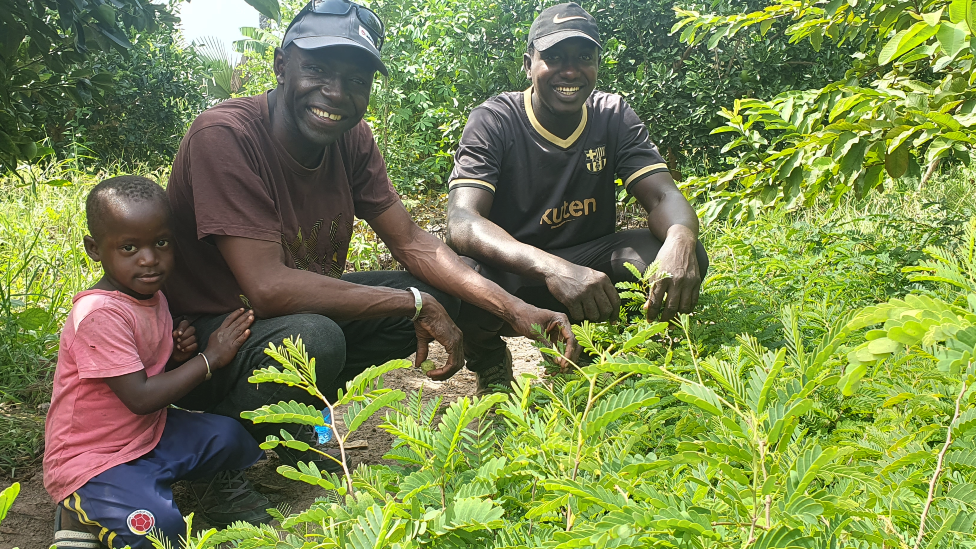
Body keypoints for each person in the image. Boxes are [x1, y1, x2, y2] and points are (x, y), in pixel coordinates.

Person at [163, 0, 577, 502]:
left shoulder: (351, 138)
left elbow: (412, 242)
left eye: (357, 80)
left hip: (278, 316)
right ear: (280, 65)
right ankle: (216, 448)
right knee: (318, 336)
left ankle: (298, 430)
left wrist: (516, 309)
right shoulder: (226, 136)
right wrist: (416, 304)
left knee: (448, 284)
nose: (336, 93)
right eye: (317, 69)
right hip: (203, 339)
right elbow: (268, 288)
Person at [446, 2, 709, 389]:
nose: (570, 70)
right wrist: (552, 268)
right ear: (528, 64)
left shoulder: (612, 115)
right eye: (553, 57)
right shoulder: (495, 120)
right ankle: (488, 358)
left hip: (589, 266)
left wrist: (681, 237)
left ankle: (597, 349)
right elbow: (462, 223)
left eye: (583, 57)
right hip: (513, 269)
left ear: (597, 64)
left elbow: (661, 195)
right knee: (454, 281)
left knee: (677, 254)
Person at [45, 176, 269, 549]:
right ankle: (77, 506)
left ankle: (136, 491)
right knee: (162, 530)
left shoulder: (150, 294)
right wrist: (209, 359)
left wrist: (176, 355)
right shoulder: (99, 313)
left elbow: (146, 372)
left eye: (161, 243)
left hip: (146, 435)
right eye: (129, 247)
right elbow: (142, 397)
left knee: (230, 436)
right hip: (93, 458)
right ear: (94, 248)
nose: (149, 259)